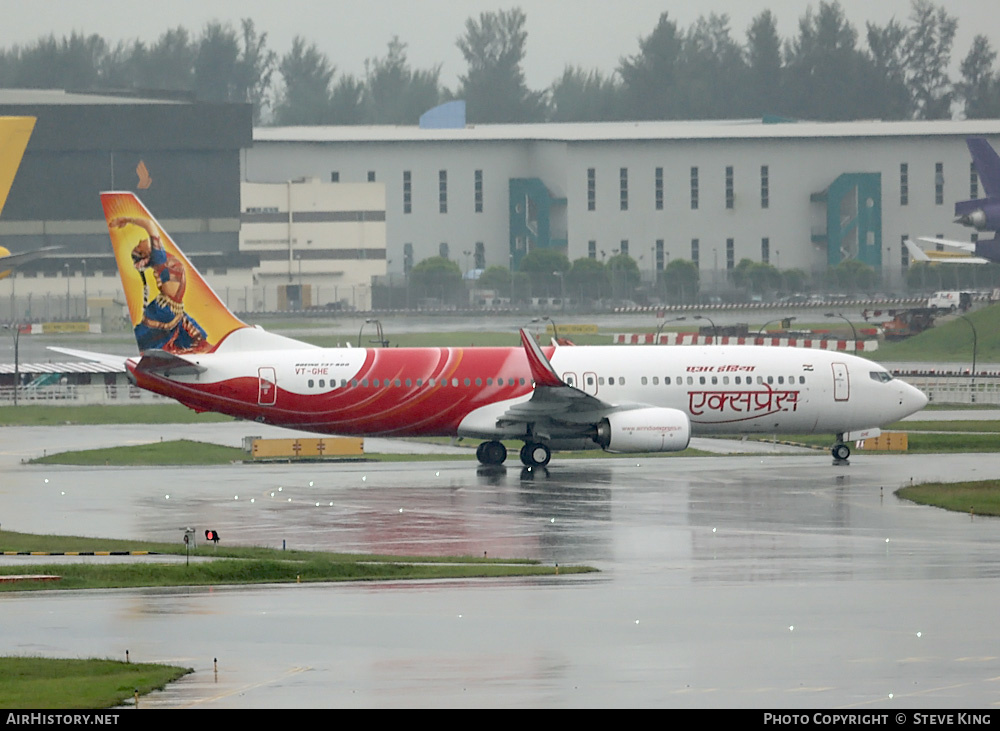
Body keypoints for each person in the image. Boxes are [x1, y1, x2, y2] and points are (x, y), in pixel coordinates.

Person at [109, 215, 212, 354]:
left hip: (173, 309)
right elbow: (150, 225)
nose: (141, 240)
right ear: (144, 253)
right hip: (165, 310)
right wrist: (127, 220)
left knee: (198, 341)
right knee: (148, 339)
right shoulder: (158, 256)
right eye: (139, 245)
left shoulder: (159, 255)